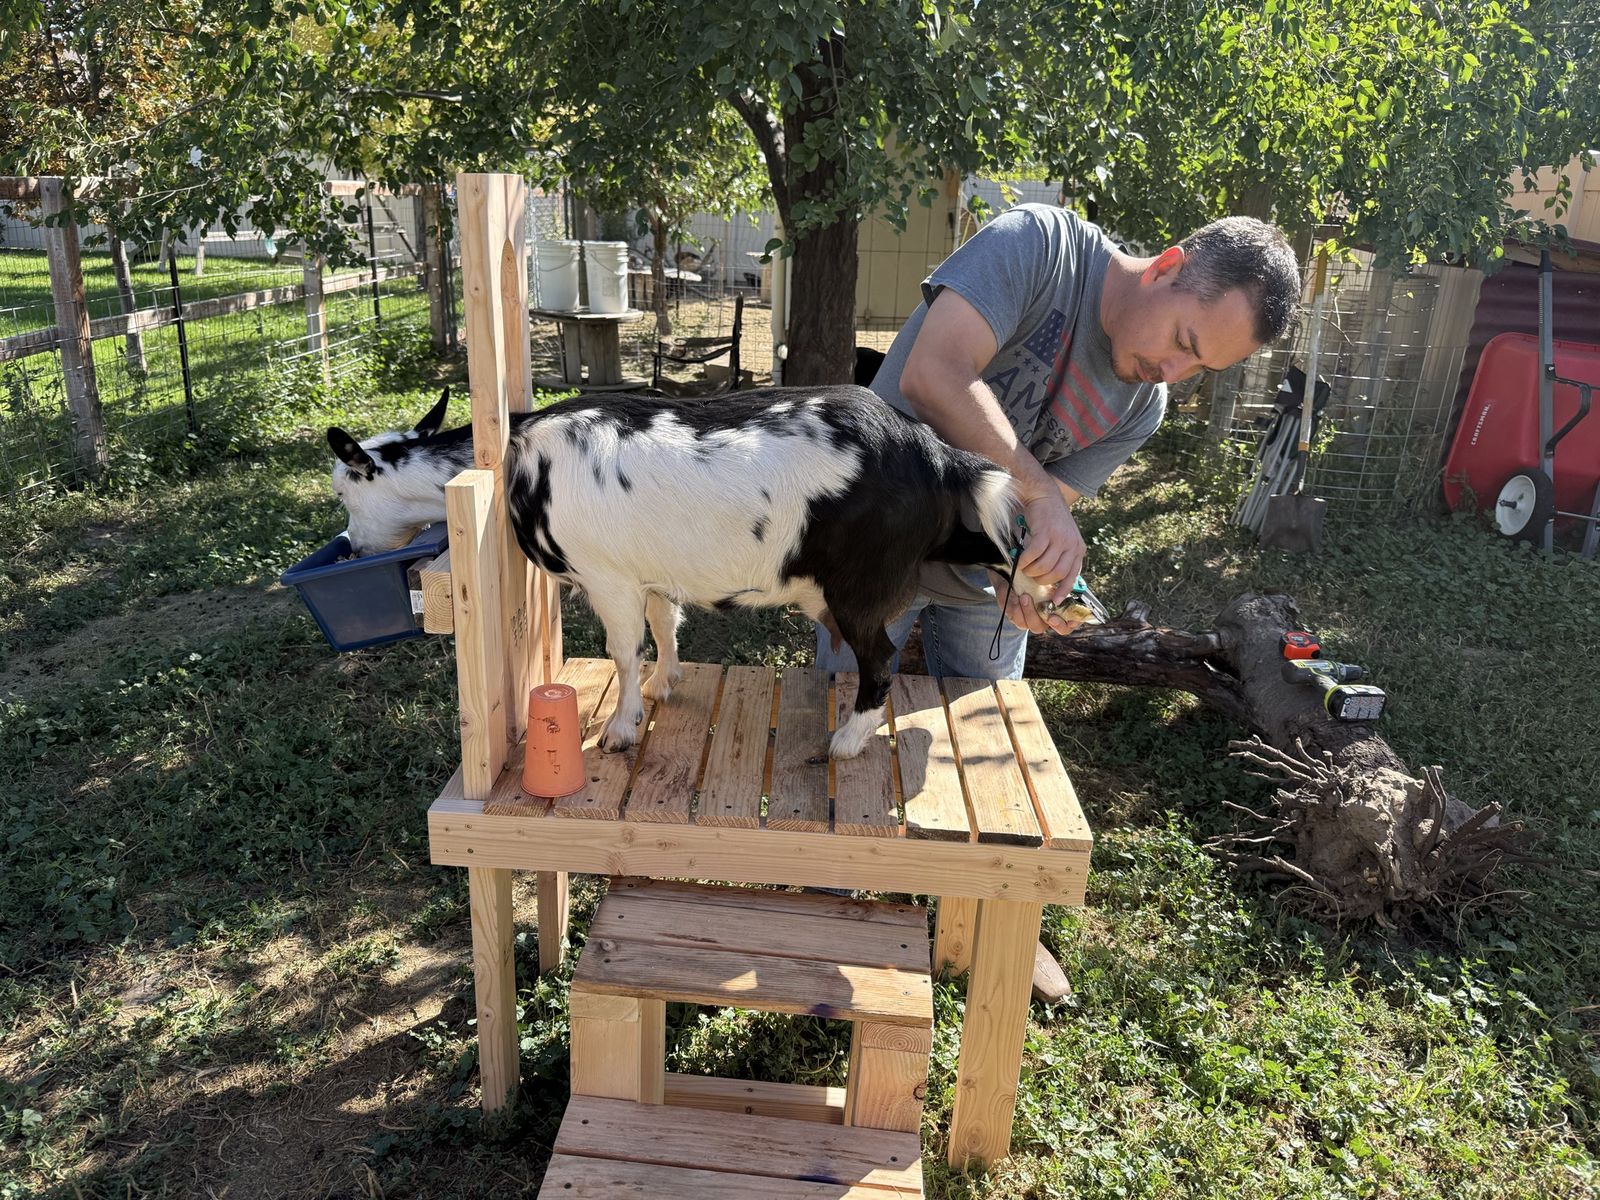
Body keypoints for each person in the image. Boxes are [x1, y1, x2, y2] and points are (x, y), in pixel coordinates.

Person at [815, 203, 1301, 997]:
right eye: (1183, 341)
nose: (1172, 372)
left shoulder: (1141, 408)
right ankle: (829, 892)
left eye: (1199, 368)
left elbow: (1028, 523)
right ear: (1168, 266)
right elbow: (933, 375)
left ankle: (995, 914)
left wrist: (1024, 576)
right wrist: (1038, 495)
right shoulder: (1038, 247)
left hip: (970, 568)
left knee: (989, 740)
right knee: (843, 711)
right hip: (874, 534)